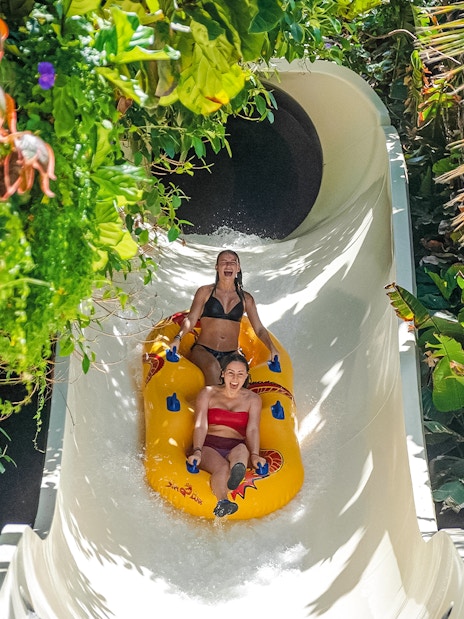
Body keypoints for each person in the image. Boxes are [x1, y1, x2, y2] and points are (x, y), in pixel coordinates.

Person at [170, 249, 279, 385]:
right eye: (223, 262)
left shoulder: (246, 299)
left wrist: (273, 348)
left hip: (231, 353)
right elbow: (191, 319)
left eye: (232, 262)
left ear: (238, 268)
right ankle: (213, 402)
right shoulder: (205, 292)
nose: (228, 265)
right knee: (212, 367)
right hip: (203, 350)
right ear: (217, 267)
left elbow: (259, 329)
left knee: (240, 376)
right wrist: (178, 338)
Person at [186, 353, 267, 517]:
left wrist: (256, 455)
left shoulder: (253, 400)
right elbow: (201, 424)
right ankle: (223, 501)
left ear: (246, 376)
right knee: (222, 467)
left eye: (240, 374)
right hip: (210, 445)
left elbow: (252, 429)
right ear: (222, 373)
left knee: (242, 451)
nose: (235, 378)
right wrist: (197, 450)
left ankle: (238, 471)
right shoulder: (208, 393)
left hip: (235, 445)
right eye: (231, 373)